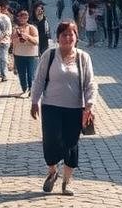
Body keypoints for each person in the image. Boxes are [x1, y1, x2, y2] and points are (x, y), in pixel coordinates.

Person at [31, 21, 97, 196]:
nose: (68, 38)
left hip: (75, 108)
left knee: (71, 144)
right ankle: (52, 171)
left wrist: (89, 105)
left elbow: (90, 83)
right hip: (51, 106)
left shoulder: (83, 57)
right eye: (63, 35)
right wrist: (34, 101)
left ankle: (67, 182)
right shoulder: (49, 55)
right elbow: (39, 79)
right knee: (51, 142)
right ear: (58, 37)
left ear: (76, 37)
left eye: (71, 34)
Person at [11, 8, 40, 97]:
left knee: (31, 74)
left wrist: (26, 36)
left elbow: (36, 41)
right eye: (21, 16)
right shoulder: (15, 28)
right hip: (19, 54)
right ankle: (24, 89)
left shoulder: (32, 28)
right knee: (21, 74)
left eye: (25, 16)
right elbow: (11, 40)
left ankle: (31, 91)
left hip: (31, 55)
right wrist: (16, 36)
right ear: (18, 18)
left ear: (27, 18)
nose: (23, 18)